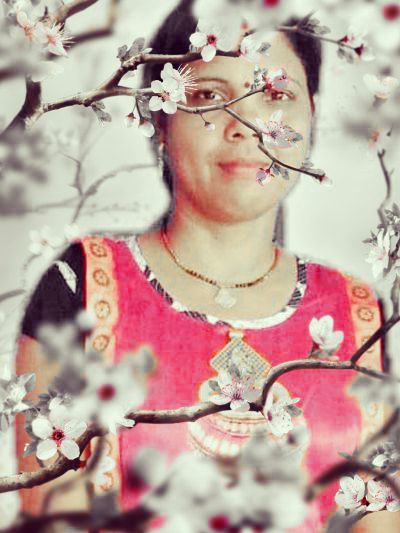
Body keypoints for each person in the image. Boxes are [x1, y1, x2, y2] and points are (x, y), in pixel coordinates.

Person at [14, 0, 400, 531]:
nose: (246, 123)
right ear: (160, 115)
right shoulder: (78, 284)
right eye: (209, 96)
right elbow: (54, 516)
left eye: (275, 95)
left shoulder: (356, 314)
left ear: (310, 113)